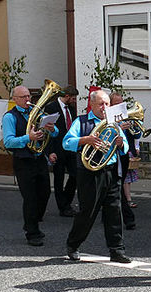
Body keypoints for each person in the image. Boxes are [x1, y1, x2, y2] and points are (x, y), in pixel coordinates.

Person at [63, 89, 131, 264]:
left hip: (111, 170)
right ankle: (73, 245)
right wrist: (86, 140)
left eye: (107, 104)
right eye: (101, 104)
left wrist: (120, 142)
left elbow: (125, 147)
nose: (104, 107)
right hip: (90, 173)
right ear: (91, 104)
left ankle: (117, 250)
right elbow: (66, 142)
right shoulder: (81, 121)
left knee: (114, 211)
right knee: (88, 211)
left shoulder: (113, 122)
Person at [2, 84, 58, 246]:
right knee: (30, 198)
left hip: (39, 158)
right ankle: (32, 232)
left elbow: (54, 134)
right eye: (23, 97)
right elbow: (8, 142)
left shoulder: (38, 113)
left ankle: (32, 220)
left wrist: (52, 129)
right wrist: (28, 138)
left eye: (28, 96)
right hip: (23, 161)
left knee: (45, 192)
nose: (28, 100)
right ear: (15, 99)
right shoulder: (9, 117)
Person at [47, 85, 80, 216]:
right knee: (59, 179)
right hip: (57, 148)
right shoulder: (51, 108)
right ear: (66, 96)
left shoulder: (71, 109)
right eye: (73, 98)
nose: (74, 101)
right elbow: (47, 131)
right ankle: (63, 207)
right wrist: (50, 151)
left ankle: (66, 201)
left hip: (70, 148)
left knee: (75, 175)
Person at [109, 91, 138, 231]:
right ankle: (129, 218)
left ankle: (107, 214)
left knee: (118, 183)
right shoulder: (108, 117)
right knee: (116, 184)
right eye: (116, 104)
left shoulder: (125, 115)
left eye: (121, 103)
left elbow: (136, 134)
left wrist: (134, 127)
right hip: (112, 155)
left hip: (125, 152)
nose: (120, 106)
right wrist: (119, 128)